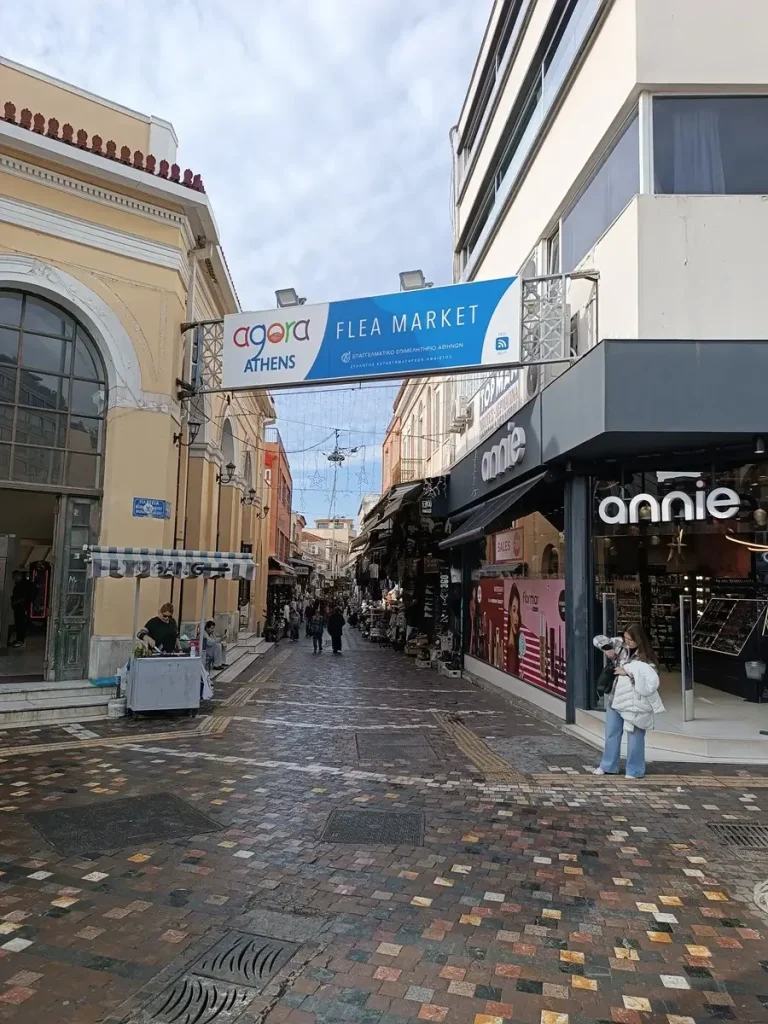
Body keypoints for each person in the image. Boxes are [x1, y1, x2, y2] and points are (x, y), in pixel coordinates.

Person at [592, 623, 665, 780]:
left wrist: (628, 672)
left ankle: (635, 770)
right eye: (625, 638)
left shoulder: (647, 657)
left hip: (636, 702)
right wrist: (607, 648)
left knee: (635, 736)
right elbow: (597, 639)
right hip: (615, 696)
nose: (627, 642)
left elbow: (650, 680)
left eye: (630, 640)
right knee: (612, 732)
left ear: (638, 639)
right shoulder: (620, 646)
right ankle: (608, 765)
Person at [10, 570, 35, 648]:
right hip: (18, 607)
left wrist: (18, 601)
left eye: (15, 577)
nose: (14, 579)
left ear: (19, 576)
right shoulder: (19, 585)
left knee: (21, 623)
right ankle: (19, 639)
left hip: (22, 607)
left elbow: (28, 596)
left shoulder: (25, 585)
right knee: (18, 623)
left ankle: (21, 640)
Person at [506, 583, 522, 674]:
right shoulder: (507, 646)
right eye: (514, 610)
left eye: (518, 611)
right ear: (509, 611)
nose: (516, 617)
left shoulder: (519, 646)